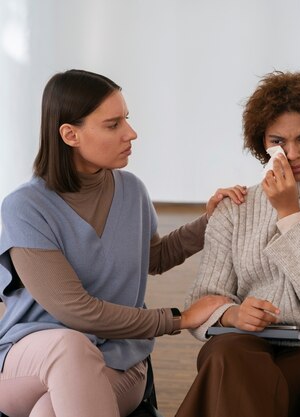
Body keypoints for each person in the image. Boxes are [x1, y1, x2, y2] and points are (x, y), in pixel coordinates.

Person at [0, 69, 245, 417]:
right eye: (113, 125)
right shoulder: (25, 206)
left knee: (48, 412)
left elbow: (153, 258)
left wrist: (212, 221)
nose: (131, 133)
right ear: (70, 134)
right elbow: (76, 311)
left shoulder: (131, 190)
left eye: (126, 120)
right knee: (70, 346)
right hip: (30, 358)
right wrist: (180, 319)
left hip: (119, 360)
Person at [175, 70, 300, 417]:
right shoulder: (235, 208)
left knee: (230, 372)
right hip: (249, 344)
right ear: (262, 143)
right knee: (227, 353)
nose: (291, 153)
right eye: (277, 142)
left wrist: (288, 213)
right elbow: (201, 300)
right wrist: (232, 313)